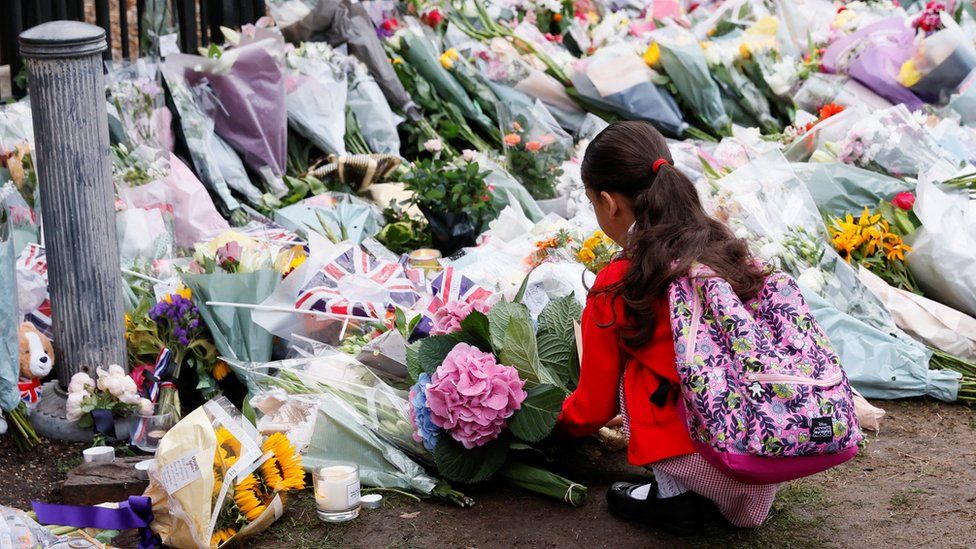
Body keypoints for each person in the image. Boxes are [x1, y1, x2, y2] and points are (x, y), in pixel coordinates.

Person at [556, 121, 778, 534]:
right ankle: (719, 495)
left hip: (704, 453)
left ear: (608, 202)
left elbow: (594, 405)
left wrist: (554, 428)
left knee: (633, 376)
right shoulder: (722, 245)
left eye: (592, 203)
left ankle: (673, 495)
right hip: (765, 440)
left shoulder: (623, 278)